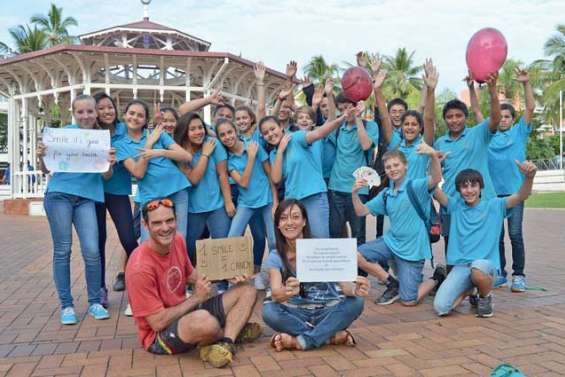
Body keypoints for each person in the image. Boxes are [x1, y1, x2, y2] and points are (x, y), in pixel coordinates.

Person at [125, 198, 261, 367]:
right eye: (157, 223)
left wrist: (227, 275)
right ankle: (233, 329)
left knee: (248, 290)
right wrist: (196, 298)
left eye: (169, 220)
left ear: (177, 220)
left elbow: (192, 275)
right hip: (158, 336)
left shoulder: (178, 240)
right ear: (145, 225)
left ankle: (226, 342)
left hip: (186, 312)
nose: (165, 228)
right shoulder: (140, 268)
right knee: (205, 322)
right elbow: (157, 322)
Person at [37, 94, 114, 325]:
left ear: (96, 113)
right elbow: (45, 169)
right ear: (73, 113)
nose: (86, 116)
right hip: (59, 195)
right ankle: (67, 305)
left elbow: (106, 175)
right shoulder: (61, 136)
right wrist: (41, 156)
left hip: (87, 198)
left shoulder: (101, 139)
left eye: (90, 111)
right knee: (63, 250)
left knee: (92, 250)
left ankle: (94, 302)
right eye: (80, 112)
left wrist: (109, 162)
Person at [262, 199, 369, 351]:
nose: (289, 222)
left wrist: (355, 290)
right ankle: (328, 336)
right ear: (278, 225)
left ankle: (299, 341)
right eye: (284, 218)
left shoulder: (323, 247)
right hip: (297, 314)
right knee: (269, 311)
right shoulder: (276, 256)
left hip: (327, 311)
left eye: (295, 217)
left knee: (357, 301)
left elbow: (344, 285)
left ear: (304, 221)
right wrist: (287, 291)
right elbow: (275, 294)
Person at [433, 162, 537, 317]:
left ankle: (485, 296)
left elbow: (521, 195)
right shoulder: (455, 206)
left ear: (480, 187)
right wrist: (433, 158)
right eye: (464, 187)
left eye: (473, 185)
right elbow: (434, 188)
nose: (469, 190)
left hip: (485, 267)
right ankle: (471, 289)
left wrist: (529, 177)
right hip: (462, 267)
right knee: (441, 308)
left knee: (478, 269)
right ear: (459, 190)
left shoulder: (495, 205)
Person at [354, 147, 446, 305]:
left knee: (409, 301)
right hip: (391, 243)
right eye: (388, 167)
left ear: (406, 166)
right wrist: (354, 193)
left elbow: (436, 178)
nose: (392, 169)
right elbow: (361, 211)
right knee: (355, 255)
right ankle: (392, 283)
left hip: (412, 250)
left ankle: (437, 277)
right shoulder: (386, 194)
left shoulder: (416, 186)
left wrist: (432, 155)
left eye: (396, 165)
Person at [434, 73, 501, 252]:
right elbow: (434, 174)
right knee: (452, 247)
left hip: (481, 201)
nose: (454, 120)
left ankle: (493, 278)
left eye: (458, 115)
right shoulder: (440, 143)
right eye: (449, 116)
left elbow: (495, 118)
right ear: (445, 119)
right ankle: (452, 279)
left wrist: (493, 90)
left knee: (486, 247)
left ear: (466, 116)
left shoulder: (478, 133)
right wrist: (435, 162)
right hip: (450, 202)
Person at [261, 100, 348, 238]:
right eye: (266, 133)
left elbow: (318, 133)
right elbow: (276, 178)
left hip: (314, 196)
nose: (270, 134)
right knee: (297, 241)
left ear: (281, 127)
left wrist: (340, 119)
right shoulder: (273, 154)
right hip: (293, 200)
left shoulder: (296, 138)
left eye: (273, 129)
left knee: (320, 239)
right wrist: (280, 151)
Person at [114, 100, 192, 242]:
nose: (135, 118)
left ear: (145, 120)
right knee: (149, 241)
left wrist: (161, 152)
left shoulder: (157, 133)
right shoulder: (120, 145)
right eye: (131, 113)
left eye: (140, 115)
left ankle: (177, 265)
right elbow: (138, 173)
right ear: (124, 116)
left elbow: (186, 156)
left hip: (177, 189)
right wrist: (149, 144)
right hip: (150, 196)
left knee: (179, 239)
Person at [488, 68, 535, 291]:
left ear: (513, 120)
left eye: (508, 117)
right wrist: (472, 87)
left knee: (515, 234)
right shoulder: (488, 135)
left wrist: (525, 84)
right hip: (494, 196)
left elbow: (531, 107)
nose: (504, 120)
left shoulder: (519, 133)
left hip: (516, 194)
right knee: (496, 237)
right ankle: (499, 273)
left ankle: (518, 275)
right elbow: (479, 111)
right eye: (501, 116)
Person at [93, 92, 138, 302]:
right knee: (98, 241)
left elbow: (142, 135)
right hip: (93, 192)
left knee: (129, 239)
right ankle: (100, 289)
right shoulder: (89, 134)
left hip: (118, 192)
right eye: (100, 108)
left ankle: (141, 282)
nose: (106, 111)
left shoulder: (124, 129)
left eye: (109, 106)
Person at [216, 119, 278, 269]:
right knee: (232, 237)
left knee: (273, 241)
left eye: (230, 132)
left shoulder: (253, 145)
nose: (227, 137)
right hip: (246, 203)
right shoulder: (229, 161)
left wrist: (275, 201)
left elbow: (270, 174)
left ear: (236, 131)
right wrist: (250, 158)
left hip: (266, 199)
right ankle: (231, 274)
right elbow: (243, 183)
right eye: (223, 135)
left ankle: (275, 274)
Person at [174, 112, 233, 262]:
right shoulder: (180, 151)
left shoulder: (213, 143)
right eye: (192, 129)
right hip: (193, 208)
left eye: (200, 127)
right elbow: (194, 179)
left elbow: (222, 175)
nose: (198, 132)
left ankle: (221, 282)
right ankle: (191, 278)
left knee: (222, 244)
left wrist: (228, 202)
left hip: (217, 205)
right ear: (185, 132)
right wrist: (205, 155)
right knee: (188, 246)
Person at [328, 94, 379, 245]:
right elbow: (327, 122)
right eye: (342, 109)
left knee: (358, 234)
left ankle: (360, 269)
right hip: (336, 187)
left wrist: (358, 118)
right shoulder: (337, 128)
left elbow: (365, 145)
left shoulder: (370, 126)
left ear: (356, 106)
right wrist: (328, 93)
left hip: (358, 189)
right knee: (335, 232)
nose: (346, 112)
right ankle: (339, 267)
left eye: (349, 107)